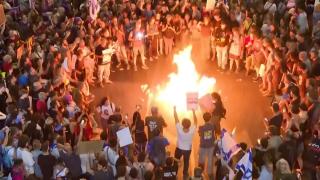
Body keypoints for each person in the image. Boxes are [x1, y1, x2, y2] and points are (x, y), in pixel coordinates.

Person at [173, 106, 197, 179]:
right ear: (190, 125)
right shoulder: (192, 130)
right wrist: (193, 112)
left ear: (182, 124)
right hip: (187, 150)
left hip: (179, 148)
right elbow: (196, 121)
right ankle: (185, 174)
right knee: (186, 162)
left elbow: (176, 118)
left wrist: (174, 109)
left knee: (176, 161)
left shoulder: (179, 128)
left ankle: (174, 173)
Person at [198, 112, 215, 179]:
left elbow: (200, 135)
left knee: (201, 160)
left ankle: (199, 173)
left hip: (203, 146)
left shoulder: (201, 127)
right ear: (210, 118)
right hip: (211, 145)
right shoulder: (212, 126)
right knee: (210, 160)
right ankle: (210, 173)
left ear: (203, 118)